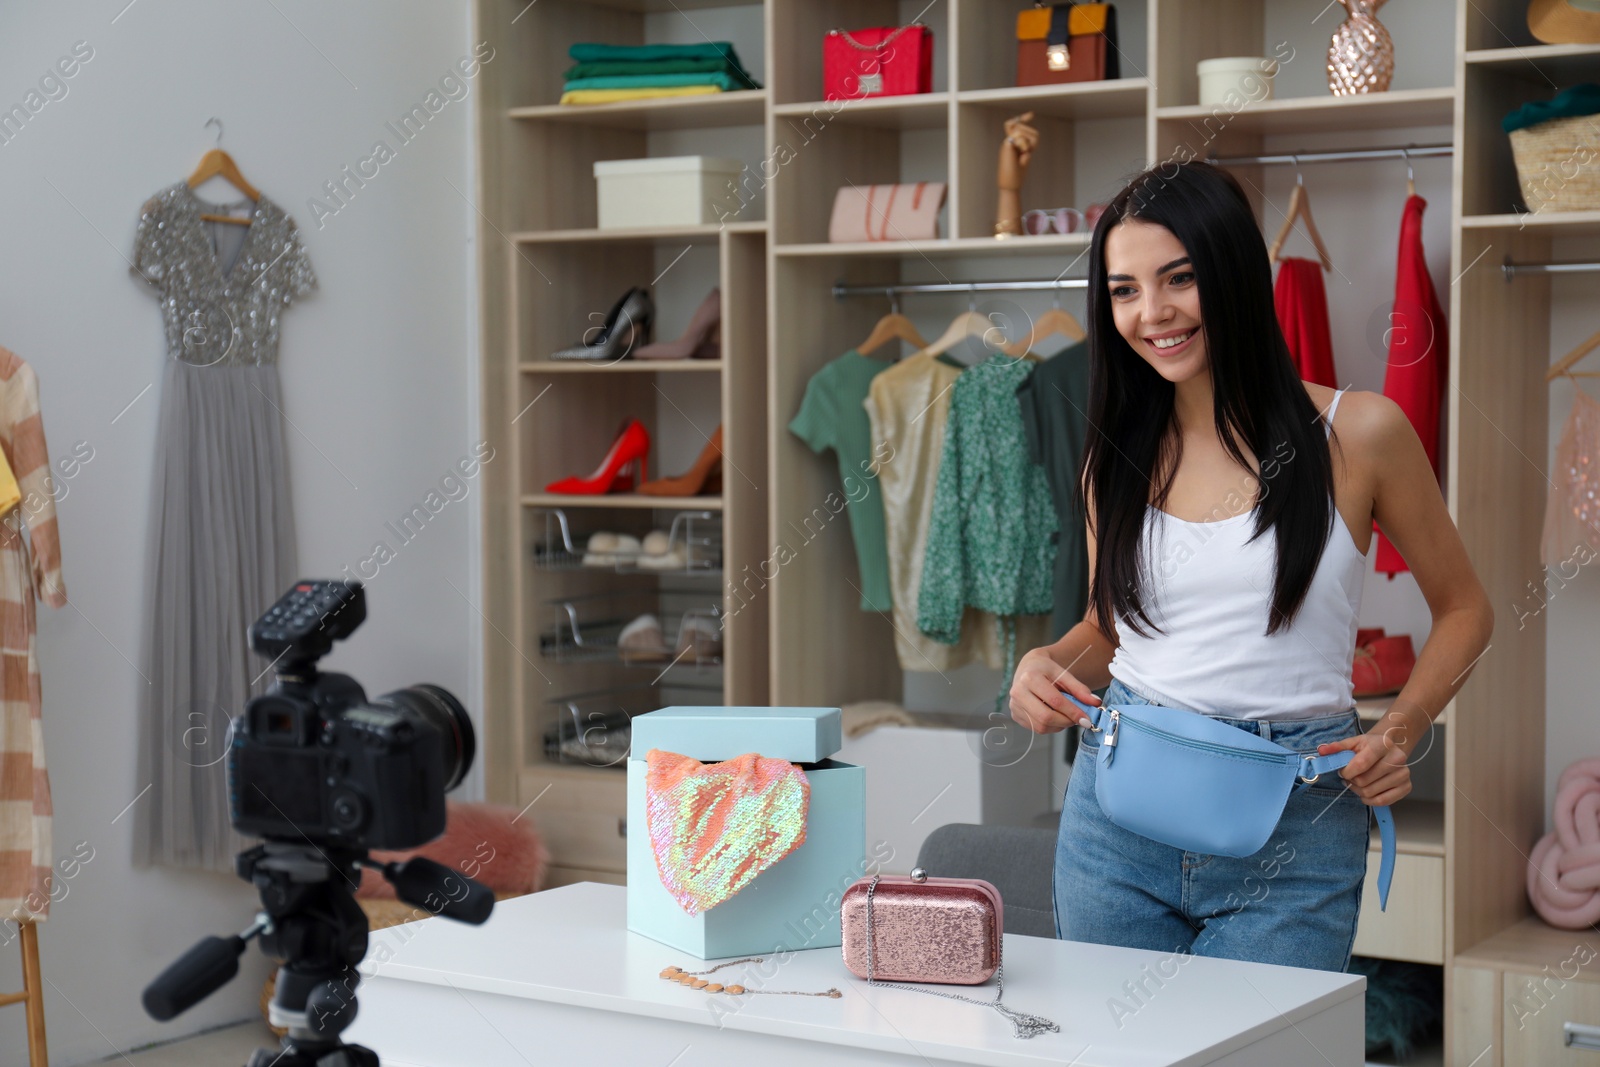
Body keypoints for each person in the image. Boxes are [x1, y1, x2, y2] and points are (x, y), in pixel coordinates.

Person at [1007, 160, 1493, 973]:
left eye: (1179, 279)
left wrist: (1399, 730)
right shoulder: (1115, 455)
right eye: (1123, 290)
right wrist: (1049, 663)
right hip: (1117, 819)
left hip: (1296, 828)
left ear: (1232, 271)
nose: (1151, 312)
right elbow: (1109, 628)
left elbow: (1466, 609)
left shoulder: (1360, 433)